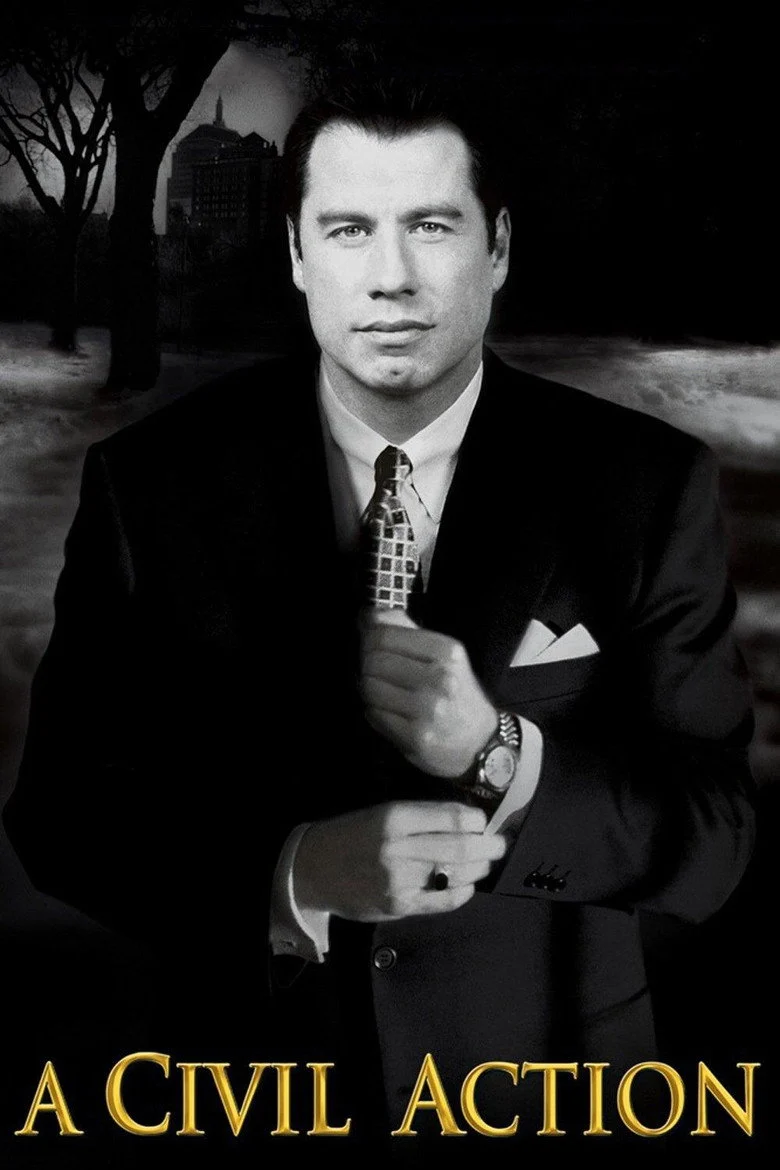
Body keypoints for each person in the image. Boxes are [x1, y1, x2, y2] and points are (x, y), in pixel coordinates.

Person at [3, 79, 756, 1151]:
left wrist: (500, 756)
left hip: (552, 1095)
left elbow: (717, 840)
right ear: (297, 253)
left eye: (431, 226)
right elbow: (61, 814)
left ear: (497, 247)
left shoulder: (643, 484)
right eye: (349, 229)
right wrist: (294, 872)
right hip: (246, 1097)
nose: (391, 276)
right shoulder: (151, 484)